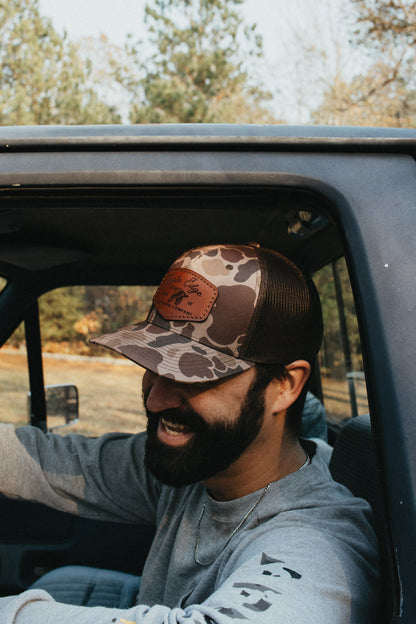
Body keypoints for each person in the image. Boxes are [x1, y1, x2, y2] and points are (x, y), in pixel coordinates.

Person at [0, 243, 378, 624]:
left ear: (285, 385)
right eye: (153, 363)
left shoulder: (318, 544)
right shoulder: (203, 465)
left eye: (195, 374)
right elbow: (49, 461)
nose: (156, 399)